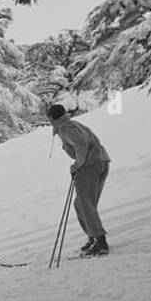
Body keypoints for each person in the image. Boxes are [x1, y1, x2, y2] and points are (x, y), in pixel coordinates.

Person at [47, 104, 111, 256]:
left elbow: (82, 144)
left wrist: (77, 165)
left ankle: (100, 242)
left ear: (52, 117)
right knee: (83, 204)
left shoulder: (65, 128)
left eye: (48, 116)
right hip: (101, 161)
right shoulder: (73, 124)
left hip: (89, 166)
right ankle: (94, 238)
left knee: (84, 204)